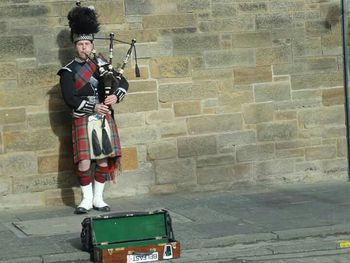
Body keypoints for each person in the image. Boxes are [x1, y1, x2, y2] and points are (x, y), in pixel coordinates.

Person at [57, 5, 128, 214]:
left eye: (87, 44)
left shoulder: (102, 64)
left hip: (103, 117)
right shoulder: (68, 70)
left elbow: (122, 82)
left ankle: (99, 198)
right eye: (80, 44)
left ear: (92, 44)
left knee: (103, 157)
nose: (84, 48)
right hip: (82, 117)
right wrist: (93, 105)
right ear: (75, 46)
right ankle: (86, 200)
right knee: (84, 160)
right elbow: (69, 98)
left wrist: (117, 95)